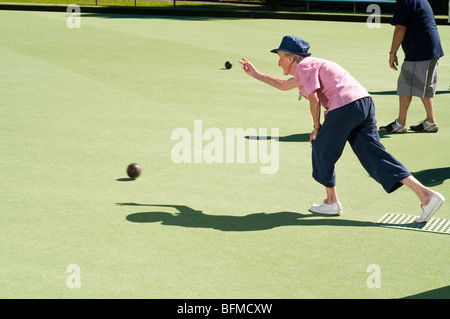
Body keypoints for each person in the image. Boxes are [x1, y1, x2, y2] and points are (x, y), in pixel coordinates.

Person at [239, 35, 445, 222]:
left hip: (345, 106)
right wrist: (255, 74)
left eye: (280, 57)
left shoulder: (305, 66)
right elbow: (284, 85)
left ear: (291, 57)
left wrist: (316, 127)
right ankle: (426, 195)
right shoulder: (312, 66)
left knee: (320, 148)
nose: (278, 62)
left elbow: (313, 98)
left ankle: (331, 202)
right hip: (364, 103)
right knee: (374, 156)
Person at [379, 0, 444, 133]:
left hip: (419, 49)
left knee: (405, 84)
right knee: (424, 86)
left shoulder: (405, 0)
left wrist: (392, 53)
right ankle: (430, 122)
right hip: (432, 47)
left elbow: (400, 28)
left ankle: (400, 124)